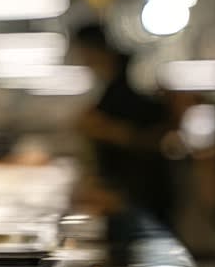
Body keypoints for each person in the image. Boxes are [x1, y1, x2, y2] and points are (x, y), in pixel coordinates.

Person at [72, 24, 175, 224]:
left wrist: (106, 129)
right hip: (131, 190)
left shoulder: (136, 76)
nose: (82, 60)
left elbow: (158, 135)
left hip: (141, 190)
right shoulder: (115, 82)